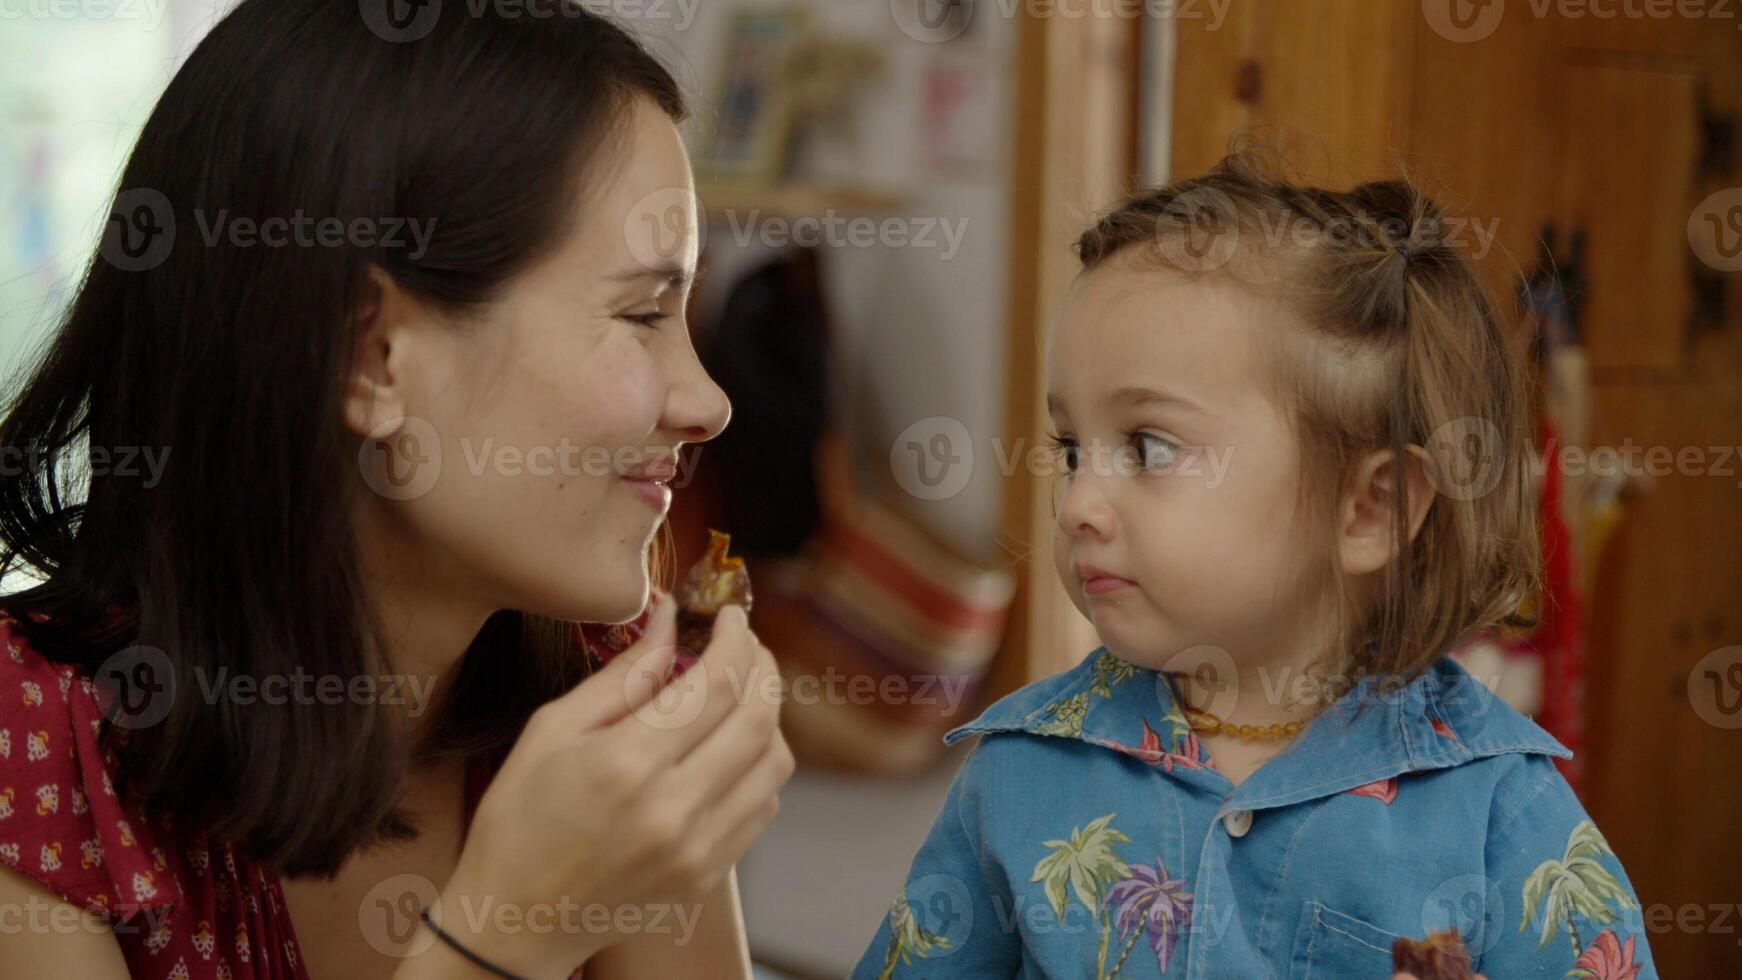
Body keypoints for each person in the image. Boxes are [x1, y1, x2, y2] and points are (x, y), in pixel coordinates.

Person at [0, 1, 793, 977]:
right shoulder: (33, 747)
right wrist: (506, 929)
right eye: (641, 311)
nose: (708, 401)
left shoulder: (616, 702)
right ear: (371, 354)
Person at [852, 151, 1656, 979]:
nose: (1079, 502)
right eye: (1070, 449)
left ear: (1370, 508)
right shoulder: (1017, 776)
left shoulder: (1503, 812)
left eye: (1148, 446)